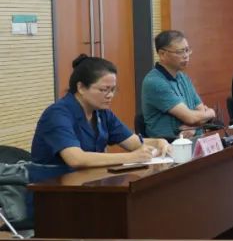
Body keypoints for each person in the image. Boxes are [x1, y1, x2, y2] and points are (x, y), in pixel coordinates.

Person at [31, 55, 171, 169]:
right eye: (104, 90)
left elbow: (134, 143)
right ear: (81, 88)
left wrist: (158, 142)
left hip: (88, 182)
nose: (110, 95)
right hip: (52, 187)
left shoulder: (102, 113)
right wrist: (131, 157)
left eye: (113, 90)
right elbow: (76, 159)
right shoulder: (57, 114)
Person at [141, 30, 216, 139]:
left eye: (187, 50)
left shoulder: (183, 77)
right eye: (180, 52)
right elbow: (191, 118)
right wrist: (210, 113)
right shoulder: (154, 82)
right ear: (162, 54)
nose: (186, 56)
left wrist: (195, 126)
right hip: (168, 144)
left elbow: (200, 110)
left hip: (191, 139)